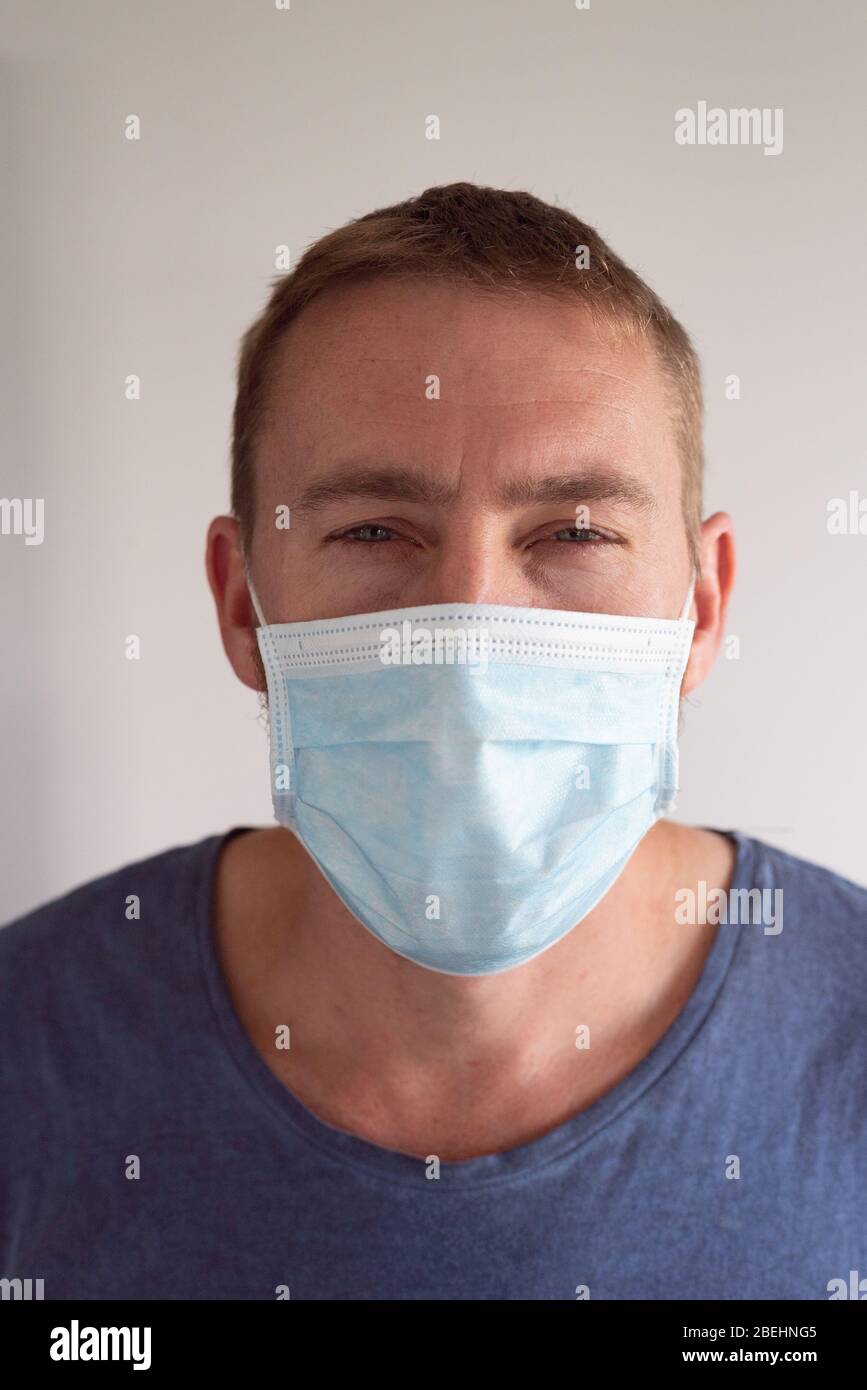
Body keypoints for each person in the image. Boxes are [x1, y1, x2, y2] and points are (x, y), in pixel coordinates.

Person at [2, 183, 865, 1301]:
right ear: (242, 604)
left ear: (701, 609)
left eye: (574, 532)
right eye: (373, 529)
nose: (465, 628)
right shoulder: (30, 1038)